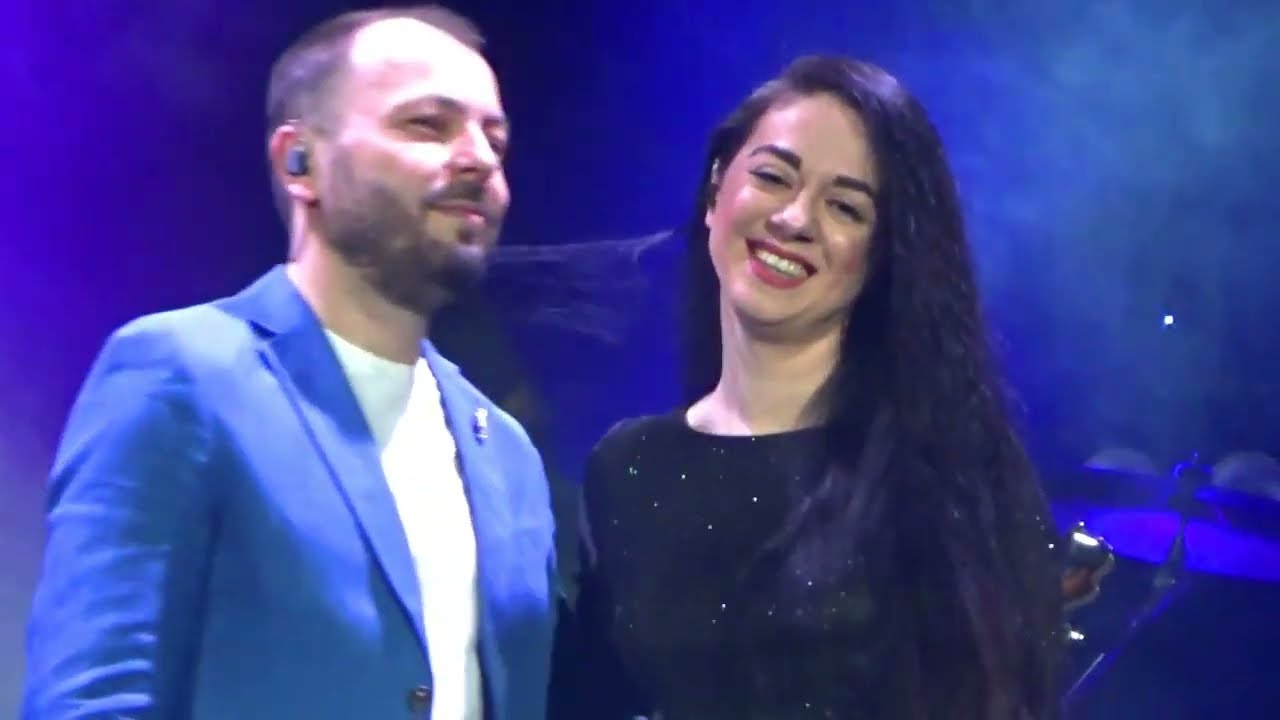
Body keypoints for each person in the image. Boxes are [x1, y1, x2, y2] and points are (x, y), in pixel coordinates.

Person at [23, 6, 556, 719]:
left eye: (496, 139)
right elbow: (94, 697)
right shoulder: (184, 376)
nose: (479, 159)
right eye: (428, 125)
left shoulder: (506, 453)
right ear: (298, 161)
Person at [554, 55, 1065, 719]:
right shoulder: (627, 468)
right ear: (716, 190)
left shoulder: (951, 474)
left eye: (845, 208)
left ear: (883, 256)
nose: (795, 219)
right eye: (772, 177)